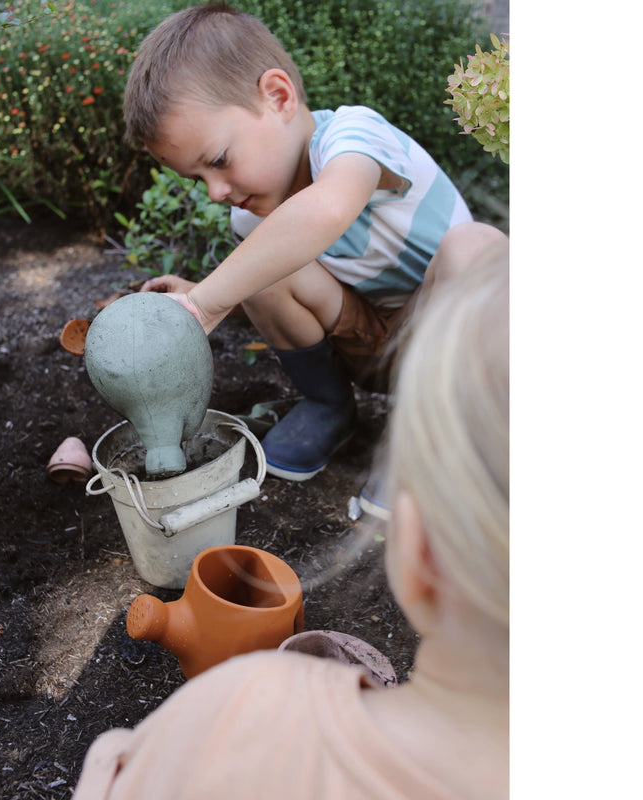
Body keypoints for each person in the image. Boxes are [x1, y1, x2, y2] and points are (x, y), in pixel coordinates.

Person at [72, 238, 509, 800]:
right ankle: (328, 408)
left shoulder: (236, 712)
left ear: (420, 553)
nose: (216, 191)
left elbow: (116, 773)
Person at [123, 2, 503, 498]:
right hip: (369, 348)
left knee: (476, 247)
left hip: (451, 349)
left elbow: (326, 211)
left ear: (278, 96)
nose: (215, 190)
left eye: (218, 160)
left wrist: (205, 302)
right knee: (264, 261)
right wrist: (201, 294)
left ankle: (442, 440)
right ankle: (328, 407)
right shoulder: (252, 215)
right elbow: (273, 287)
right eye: (199, 177)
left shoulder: (353, 136)